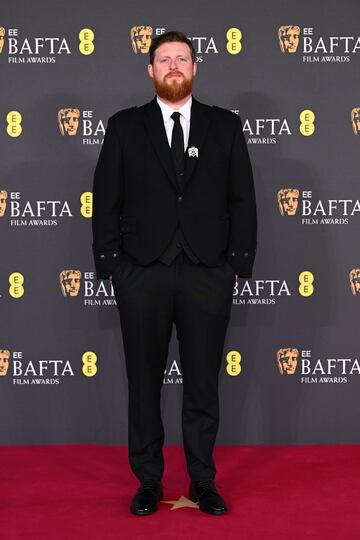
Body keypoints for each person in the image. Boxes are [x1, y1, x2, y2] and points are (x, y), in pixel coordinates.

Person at [91, 30, 257, 516]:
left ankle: (203, 481)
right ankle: (147, 481)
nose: (173, 67)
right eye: (164, 60)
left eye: (181, 58)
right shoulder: (124, 127)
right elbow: (105, 201)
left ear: (195, 66)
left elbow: (242, 199)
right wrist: (114, 267)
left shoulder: (224, 126)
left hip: (208, 273)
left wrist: (235, 266)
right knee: (143, 383)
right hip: (142, 273)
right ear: (150, 70)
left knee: (203, 382)